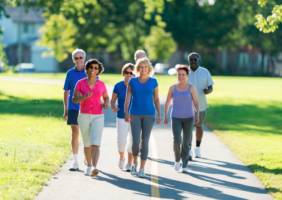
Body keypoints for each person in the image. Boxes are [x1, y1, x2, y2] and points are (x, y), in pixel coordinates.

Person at [124, 58, 161, 178]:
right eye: (141, 67)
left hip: (149, 114)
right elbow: (128, 98)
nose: (143, 69)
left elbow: (156, 99)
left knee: (145, 141)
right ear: (138, 68)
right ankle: (134, 163)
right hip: (135, 113)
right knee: (135, 141)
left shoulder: (153, 81)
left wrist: (159, 114)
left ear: (149, 68)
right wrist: (126, 112)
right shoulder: (132, 81)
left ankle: (142, 168)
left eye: (145, 67)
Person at [72, 58, 109, 177]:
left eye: (95, 68)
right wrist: (84, 97)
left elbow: (106, 97)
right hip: (83, 116)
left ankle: (94, 167)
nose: (93, 70)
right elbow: (74, 99)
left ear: (99, 71)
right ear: (87, 69)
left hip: (98, 116)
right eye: (91, 68)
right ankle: (88, 166)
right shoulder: (80, 83)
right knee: (87, 143)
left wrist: (106, 103)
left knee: (96, 143)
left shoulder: (101, 84)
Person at [163, 65, 199, 173]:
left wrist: (197, 115)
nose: (181, 76)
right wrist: (165, 116)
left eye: (183, 74)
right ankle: (177, 159)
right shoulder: (172, 87)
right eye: (179, 74)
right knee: (177, 140)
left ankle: (185, 164)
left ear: (187, 75)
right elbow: (167, 102)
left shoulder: (191, 87)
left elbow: (196, 103)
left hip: (189, 118)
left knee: (186, 142)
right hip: (176, 117)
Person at [63, 49, 87, 171]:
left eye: (80, 57)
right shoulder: (69, 73)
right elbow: (66, 91)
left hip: (87, 107)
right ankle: (76, 161)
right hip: (73, 106)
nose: (79, 60)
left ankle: (88, 158)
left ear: (84, 58)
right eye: (76, 58)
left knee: (86, 133)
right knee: (75, 131)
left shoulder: (90, 71)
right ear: (73, 59)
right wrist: (66, 109)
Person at [187, 52, 214, 159]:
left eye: (195, 59)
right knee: (188, 128)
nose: (193, 61)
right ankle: (188, 149)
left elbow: (211, 87)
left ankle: (197, 148)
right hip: (188, 106)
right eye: (191, 59)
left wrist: (208, 91)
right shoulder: (185, 72)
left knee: (199, 127)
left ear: (199, 60)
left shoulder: (205, 72)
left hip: (201, 105)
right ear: (188, 61)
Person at [110, 63, 135, 171]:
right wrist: (113, 107)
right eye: (127, 72)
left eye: (131, 73)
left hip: (135, 116)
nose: (129, 75)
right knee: (121, 140)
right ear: (123, 74)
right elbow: (112, 101)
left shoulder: (137, 85)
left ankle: (129, 163)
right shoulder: (118, 86)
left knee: (133, 141)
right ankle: (122, 157)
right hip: (121, 116)